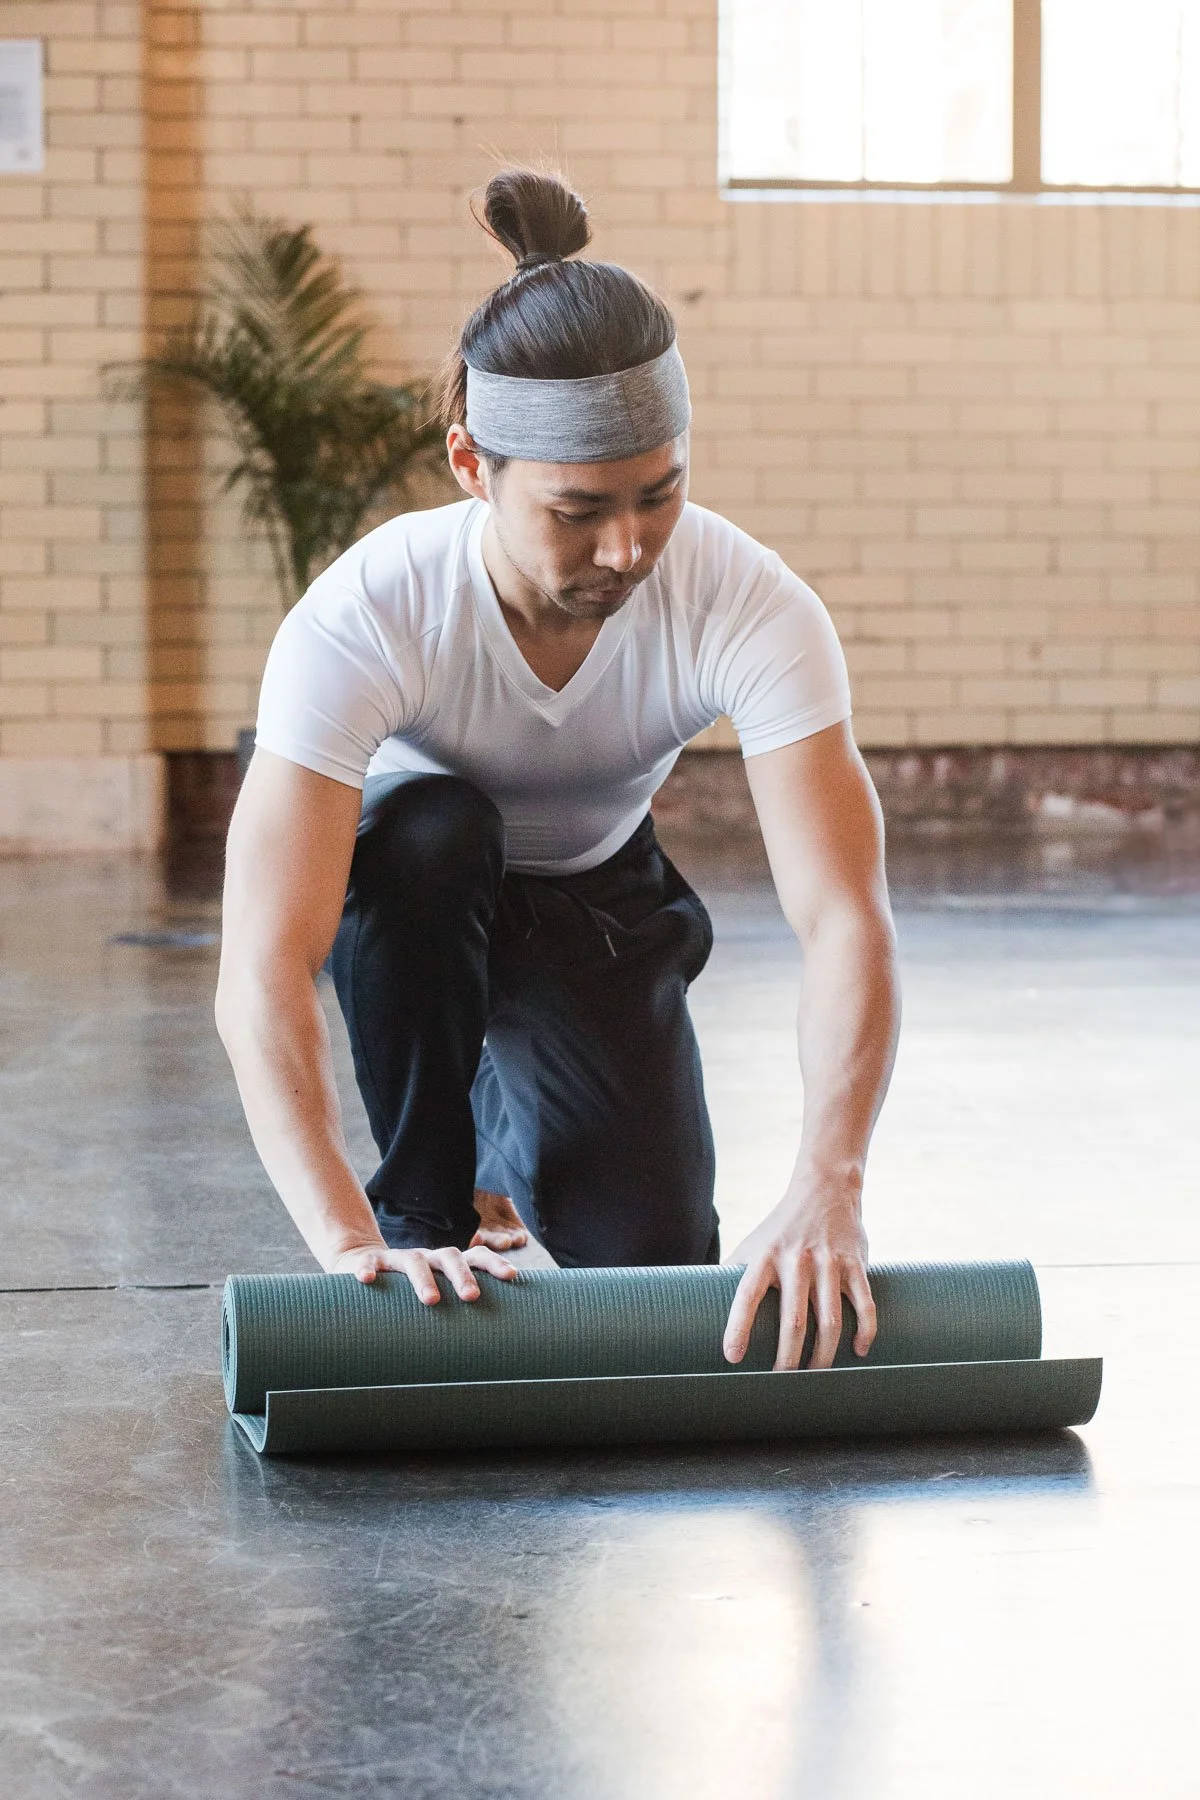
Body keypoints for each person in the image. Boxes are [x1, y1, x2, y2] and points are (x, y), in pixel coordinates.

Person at [215, 169, 901, 1373]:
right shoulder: (371, 612)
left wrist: (828, 1183)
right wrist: (345, 1242)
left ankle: (512, 1126)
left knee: (654, 1257)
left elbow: (845, 918)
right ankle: (427, 1204)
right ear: (471, 463)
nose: (629, 546)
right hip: (420, 903)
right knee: (433, 828)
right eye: (579, 510)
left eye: (660, 493)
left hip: (598, 895)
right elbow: (266, 960)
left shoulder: (747, 601)